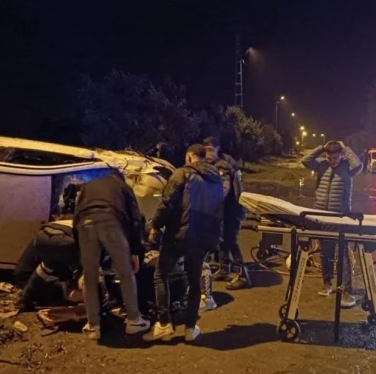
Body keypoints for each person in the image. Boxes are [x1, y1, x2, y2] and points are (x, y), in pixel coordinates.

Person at [144, 144, 224, 342]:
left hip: (179, 234)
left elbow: (166, 202)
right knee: (194, 281)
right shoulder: (216, 179)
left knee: (161, 274)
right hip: (203, 237)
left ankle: (164, 324)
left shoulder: (182, 174)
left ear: (189, 157)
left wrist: (155, 225)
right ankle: (190, 329)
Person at [74, 167, 151, 341]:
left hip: (84, 223)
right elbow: (136, 219)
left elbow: (76, 215)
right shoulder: (123, 187)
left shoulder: (88, 185)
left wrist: (80, 251)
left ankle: (93, 326)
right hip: (110, 222)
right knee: (125, 273)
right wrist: (135, 251)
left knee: (89, 276)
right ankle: (134, 321)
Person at [300, 140, 363, 307]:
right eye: (329, 157)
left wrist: (345, 147)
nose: (332, 160)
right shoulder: (322, 166)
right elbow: (305, 160)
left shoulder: (347, 167)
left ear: (340, 155)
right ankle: (327, 284)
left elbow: (358, 165)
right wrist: (321, 147)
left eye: (335, 157)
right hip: (322, 216)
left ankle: (347, 291)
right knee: (325, 253)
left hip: (340, 217)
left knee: (343, 255)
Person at [203, 137, 250, 290]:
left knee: (230, 241)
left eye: (210, 150)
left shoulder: (222, 165)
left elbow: (224, 189)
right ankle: (224, 268)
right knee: (222, 239)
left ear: (218, 149)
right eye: (205, 150)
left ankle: (243, 276)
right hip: (224, 210)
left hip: (231, 210)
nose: (208, 153)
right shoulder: (216, 163)